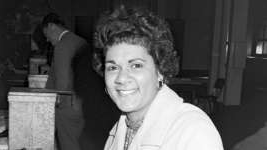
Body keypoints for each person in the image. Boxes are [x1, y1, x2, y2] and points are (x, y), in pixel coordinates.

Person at [92, 6, 224, 150]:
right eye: (113, 67)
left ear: (160, 70)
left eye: (136, 65)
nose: (122, 78)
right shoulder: (120, 129)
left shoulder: (192, 130)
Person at [41, 13, 87, 150]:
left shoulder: (62, 45)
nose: (48, 40)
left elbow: (63, 82)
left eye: (46, 35)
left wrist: (55, 106)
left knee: (68, 146)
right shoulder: (79, 41)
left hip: (68, 106)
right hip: (82, 105)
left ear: (51, 26)